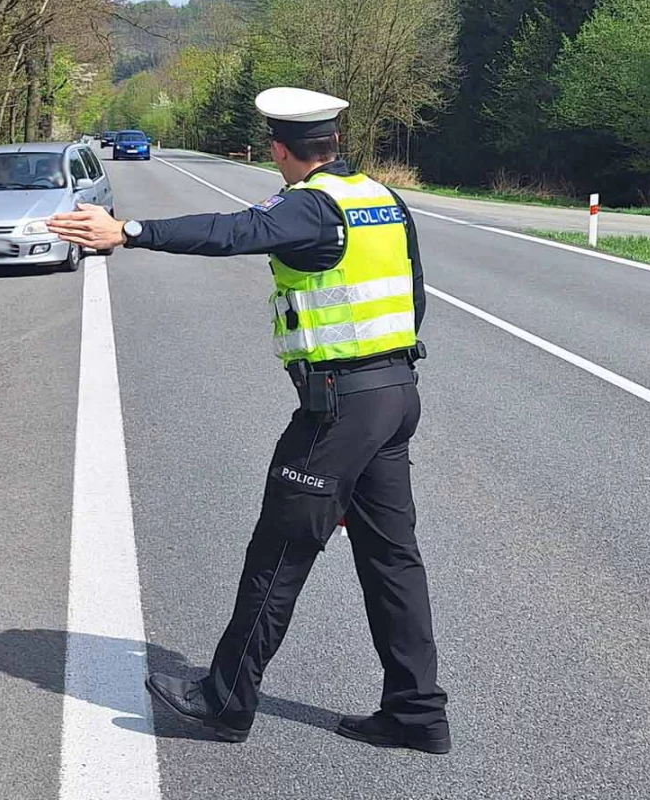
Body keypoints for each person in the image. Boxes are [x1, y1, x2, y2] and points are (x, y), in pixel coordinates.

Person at [46, 86, 450, 753]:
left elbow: (233, 232)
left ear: (280, 150)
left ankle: (225, 701)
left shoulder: (311, 207)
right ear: (334, 143)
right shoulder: (381, 198)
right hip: (395, 393)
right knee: (392, 559)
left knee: (279, 553)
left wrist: (130, 231)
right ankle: (417, 711)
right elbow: (414, 293)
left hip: (339, 409)